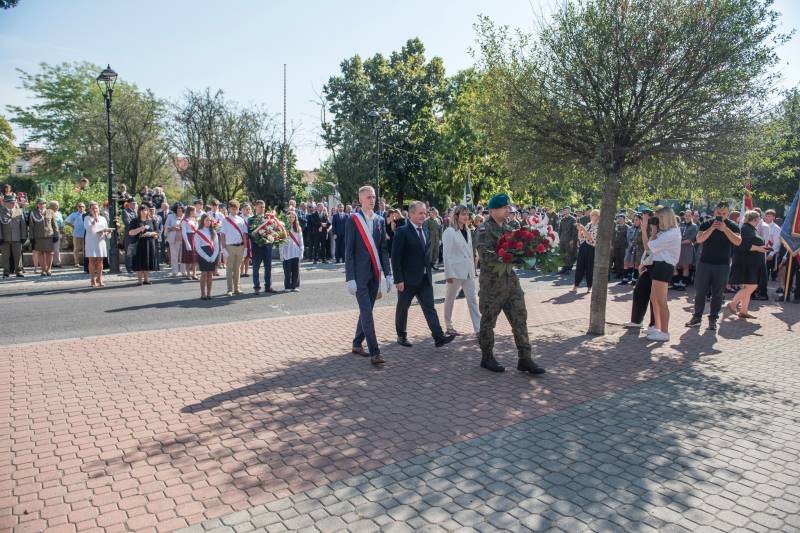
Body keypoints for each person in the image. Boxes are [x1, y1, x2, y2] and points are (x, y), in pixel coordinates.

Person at [476, 194, 545, 374]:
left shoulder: (511, 228)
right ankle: (487, 357)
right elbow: (485, 256)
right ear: (493, 210)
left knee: (520, 318)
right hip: (492, 285)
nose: (508, 210)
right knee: (488, 321)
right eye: (504, 207)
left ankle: (525, 358)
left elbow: (519, 249)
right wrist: (507, 256)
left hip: (511, 283)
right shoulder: (484, 229)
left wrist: (526, 255)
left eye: (508, 207)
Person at [392, 201, 456, 349]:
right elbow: (395, 258)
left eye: (425, 213)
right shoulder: (402, 232)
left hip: (425, 279)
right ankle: (401, 336)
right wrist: (398, 279)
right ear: (411, 214)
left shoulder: (425, 230)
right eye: (420, 213)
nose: (423, 216)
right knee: (403, 308)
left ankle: (438, 337)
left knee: (430, 307)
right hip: (407, 280)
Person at [345, 185, 393, 365]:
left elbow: (383, 250)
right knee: (367, 313)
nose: (372, 200)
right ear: (360, 200)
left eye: (373, 197)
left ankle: (357, 343)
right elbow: (349, 252)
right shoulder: (353, 220)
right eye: (368, 197)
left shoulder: (380, 220)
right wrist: (350, 278)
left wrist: (388, 274)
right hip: (359, 276)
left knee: (367, 311)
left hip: (375, 274)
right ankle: (375, 352)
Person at [685, 202, 742, 332]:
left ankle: (713, 320)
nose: (721, 216)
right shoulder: (707, 224)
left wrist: (725, 229)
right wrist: (712, 228)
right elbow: (699, 239)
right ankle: (697, 317)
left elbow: (738, 242)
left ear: (728, 213)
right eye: (718, 213)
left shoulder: (732, 225)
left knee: (718, 294)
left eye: (724, 213)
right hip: (705, 263)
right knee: (700, 293)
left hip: (722, 265)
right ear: (714, 212)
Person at [641, 207, 682, 341]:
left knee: (661, 300)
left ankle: (664, 332)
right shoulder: (667, 232)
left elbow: (648, 246)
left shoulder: (671, 233)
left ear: (667, 217)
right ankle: (657, 327)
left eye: (660, 218)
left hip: (664, 266)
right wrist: (653, 231)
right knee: (654, 298)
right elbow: (651, 246)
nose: (658, 221)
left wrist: (647, 230)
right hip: (659, 265)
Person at [442, 205, 481, 336]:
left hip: (468, 271)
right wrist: (448, 274)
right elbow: (446, 254)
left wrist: (473, 270)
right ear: (456, 216)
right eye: (463, 214)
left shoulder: (468, 230)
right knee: (450, 299)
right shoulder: (449, 231)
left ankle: (478, 329)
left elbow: (469, 253)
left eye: (467, 214)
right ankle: (449, 326)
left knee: (472, 300)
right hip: (455, 272)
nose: (466, 216)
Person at [728, 211, 770, 318]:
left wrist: (761, 248)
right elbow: (743, 246)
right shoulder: (746, 229)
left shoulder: (750, 229)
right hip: (747, 263)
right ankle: (733, 303)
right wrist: (759, 248)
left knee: (748, 286)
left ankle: (743, 311)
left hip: (751, 262)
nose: (760, 220)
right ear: (755, 219)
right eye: (759, 218)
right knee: (752, 286)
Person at [248, 200, 278, 294]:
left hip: (267, 246)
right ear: (255, 207)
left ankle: (268, 286)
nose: (262, 209)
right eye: (260, 207)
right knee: (256, 267)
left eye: (264, 207)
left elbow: (274, 229)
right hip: (256, 247)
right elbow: (250, 233)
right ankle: (256, 287)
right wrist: (258, 238)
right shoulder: (251, 219)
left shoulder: (268, 218)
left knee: (268, 267)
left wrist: (272, 236)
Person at [221, 200, 247, 296]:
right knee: (229, 268)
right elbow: (222, 235)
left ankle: (237, 288)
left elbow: (244, 235)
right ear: (229, 209)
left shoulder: (241, 220)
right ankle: (229, 289)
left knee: (237, 268)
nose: (234, 210)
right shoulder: (225, 220)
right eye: (233, 208)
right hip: (230, 246)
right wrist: (223, 248)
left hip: (240, 246)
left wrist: (245, 248)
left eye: (236, 208)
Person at [128, 204, 159, 286]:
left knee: (147, 260)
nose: (143, 212)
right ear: (139, 211)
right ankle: (139, 280)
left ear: (148, 211)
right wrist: (140, 229)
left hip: (149, 243)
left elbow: (157, 232)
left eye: (145, 210)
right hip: (138, 243)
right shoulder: (135, 221)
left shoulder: (152, 220)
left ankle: (146, 279)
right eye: (141, 210)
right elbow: (130, 233)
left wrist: (152, 234)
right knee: (139, 261)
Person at [83, 201, 112, 288]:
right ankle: (92, 279)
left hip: (101, 241)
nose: (95, 210)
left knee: (100, 261)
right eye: (93, 208)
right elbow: (88, 229)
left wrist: (108, 231)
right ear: (90, 210)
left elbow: (106, 231)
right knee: (92, 261)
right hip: (91, 241)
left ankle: (100, 278)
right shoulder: (87, 218)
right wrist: (94, 221)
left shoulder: (103, 218)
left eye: (96, 208)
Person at [28, 198, 58, 276]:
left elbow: (54, 224)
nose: (42, 205)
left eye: (43, 203)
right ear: (37, 205)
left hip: (49, 236)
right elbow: (31, 226)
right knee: (40, 253)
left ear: (45, 204)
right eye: (40, 203)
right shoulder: (33, 213)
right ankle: (43, 269)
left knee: (49, 253)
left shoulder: (50, 211)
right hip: (38, 236)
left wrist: (56, 235)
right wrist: (31, 237)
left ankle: (49, 269)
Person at [194, 213, 219, 300]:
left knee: (210, 274)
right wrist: (207, 257)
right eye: (207, 220)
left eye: (210, 220)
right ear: (202, 221)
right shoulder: (198, 232)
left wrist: (214, 256)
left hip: (212, 253)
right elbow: (197, 247)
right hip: (203, 254)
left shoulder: (213, 232)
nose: (209, 222)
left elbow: (216, 246)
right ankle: (203, 294)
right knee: (204, 274)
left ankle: (209, 293)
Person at [573, 209, 599, 292]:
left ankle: (589, 287)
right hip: (583, 247)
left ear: (598, 217)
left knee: (589, 268)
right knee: (579, 266)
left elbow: (591, 238)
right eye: (591, 215)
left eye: (593, 215)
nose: (591, 216)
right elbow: (581, 237)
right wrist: (579, 230)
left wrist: (583, 229)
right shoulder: (589, 224)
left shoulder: (598, 227)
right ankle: (576, 285)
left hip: (591, 248)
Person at [1, 195, 26, 278]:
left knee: (18, 255)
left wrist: (23, 236)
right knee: (5, 256)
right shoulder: (1, 211)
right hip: (4, 238)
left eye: (14, 202)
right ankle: (6, 272)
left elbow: (23, 225)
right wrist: (0, 237)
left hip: (17, 237)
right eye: (11, 202)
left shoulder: (19, 211)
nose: (13, 204)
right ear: (6, 203)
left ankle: (18, 271)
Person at [674, 210, 698, 290]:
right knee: (674, 265)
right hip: (678, 248)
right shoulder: (680, 224)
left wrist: (678, 242)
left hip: (687, 248)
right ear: (684, 216)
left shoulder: (694, 226)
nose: (687, 217)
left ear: (692, 216)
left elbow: (690, 240)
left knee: (685, 266)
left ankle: (683, 284)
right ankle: (677, 282)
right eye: (686, 215)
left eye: (689, 215)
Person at [280, 211, 303, 291]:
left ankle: (295, 286)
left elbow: (301, 241)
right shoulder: (283, 227)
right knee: (287, 271)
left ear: (295, 218)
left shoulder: (298, 228)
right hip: (286, 252)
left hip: (296, 251)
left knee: (296, 270)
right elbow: (281, 242)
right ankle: (287, 286)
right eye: (290, 217)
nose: (291, 218)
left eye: (293, 217)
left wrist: (301, 252)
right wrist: (281, 253)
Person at [166, 204, 185, 277]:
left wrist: (183, 228)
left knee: (183, 256)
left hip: (184, 239)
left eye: (181, 208)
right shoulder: (170, 216)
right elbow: (166, 226)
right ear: (175, 209)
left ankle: (183, 272)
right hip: (173, 239)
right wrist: (173, 228)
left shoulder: (185, 216)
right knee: (174, 256)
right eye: (178, 208)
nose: (179, 209)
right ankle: (174, 272)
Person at [65, 202, 87, 268]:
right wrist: (73, 226)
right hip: (77, 234)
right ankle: (76, 263)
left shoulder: (87, 214)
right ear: (77, 207)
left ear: (85, 207)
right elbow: (66, 222)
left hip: (86, 234)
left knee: (85, 249)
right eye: (80, 206)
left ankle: (86, 262)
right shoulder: (74, 214)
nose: (81, 208)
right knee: (76, 249)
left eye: (83, 206)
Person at [181, 205, 199, 280]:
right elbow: (184, 232)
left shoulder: (195, 220)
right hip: (188, 238)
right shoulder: (184, 220)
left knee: (195, 257)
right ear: (191, 211)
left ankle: (194, 274)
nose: (195, 212)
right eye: (194, 211)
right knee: (188, 257)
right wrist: (187, 242)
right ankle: (188, 274)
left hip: (195, 238)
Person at [558, 207, 578, 274]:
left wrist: (572, 239)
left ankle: (568, 269)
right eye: (564, 210)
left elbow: (574, 230)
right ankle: (564, 268)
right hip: (562, 239)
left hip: (569, 240)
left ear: (569, 211)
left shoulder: (573, 219)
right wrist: (559, 238)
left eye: (566, 210)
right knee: (563, 254)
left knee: (569, 254)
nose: (565, 211)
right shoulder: (562, 219)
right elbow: (560, 230)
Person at [122, 200, 138, 273]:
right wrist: (136, 228)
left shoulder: (136, 211)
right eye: (133, 203)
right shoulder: (125, 211)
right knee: (129, 251)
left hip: (137, 234)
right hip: (130, 234)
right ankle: (129, 267)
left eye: (135, 203)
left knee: (135, 251)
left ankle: (134, 266)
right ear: (129, 204)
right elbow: (127, 223)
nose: (135, 205)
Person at [611, 213, 629, 280]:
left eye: (621, 219)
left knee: (622, 260)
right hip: (616, 245)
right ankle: (618, 273)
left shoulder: (627, 227)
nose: (620, 220)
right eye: (619, 219)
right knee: (617, 259)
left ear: (624, 219)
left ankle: (623, 273)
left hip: (623, 246)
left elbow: (628, 237)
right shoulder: (616, 226)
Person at [49, 201, 64, 268]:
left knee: (56, 248)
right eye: (56, 205)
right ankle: (49, 263)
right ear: (51, 206)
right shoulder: (47, 213)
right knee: (49, 249)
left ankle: (57, 262)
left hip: (57, 232)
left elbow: (61, 223)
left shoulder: (59, 213)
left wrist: (62, 231)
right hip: (50, 232)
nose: (57, 207)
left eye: (58, 205)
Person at [240, 203, 252, 277]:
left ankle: (246, 271)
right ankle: (241, 272)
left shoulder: (251, 218)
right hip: (241, 238)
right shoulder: (240, 218)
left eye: (249, 209)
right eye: (246, 209)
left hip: (249, 238)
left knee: (247, 256)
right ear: (242, 210)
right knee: (242, 256)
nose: (247, 210)